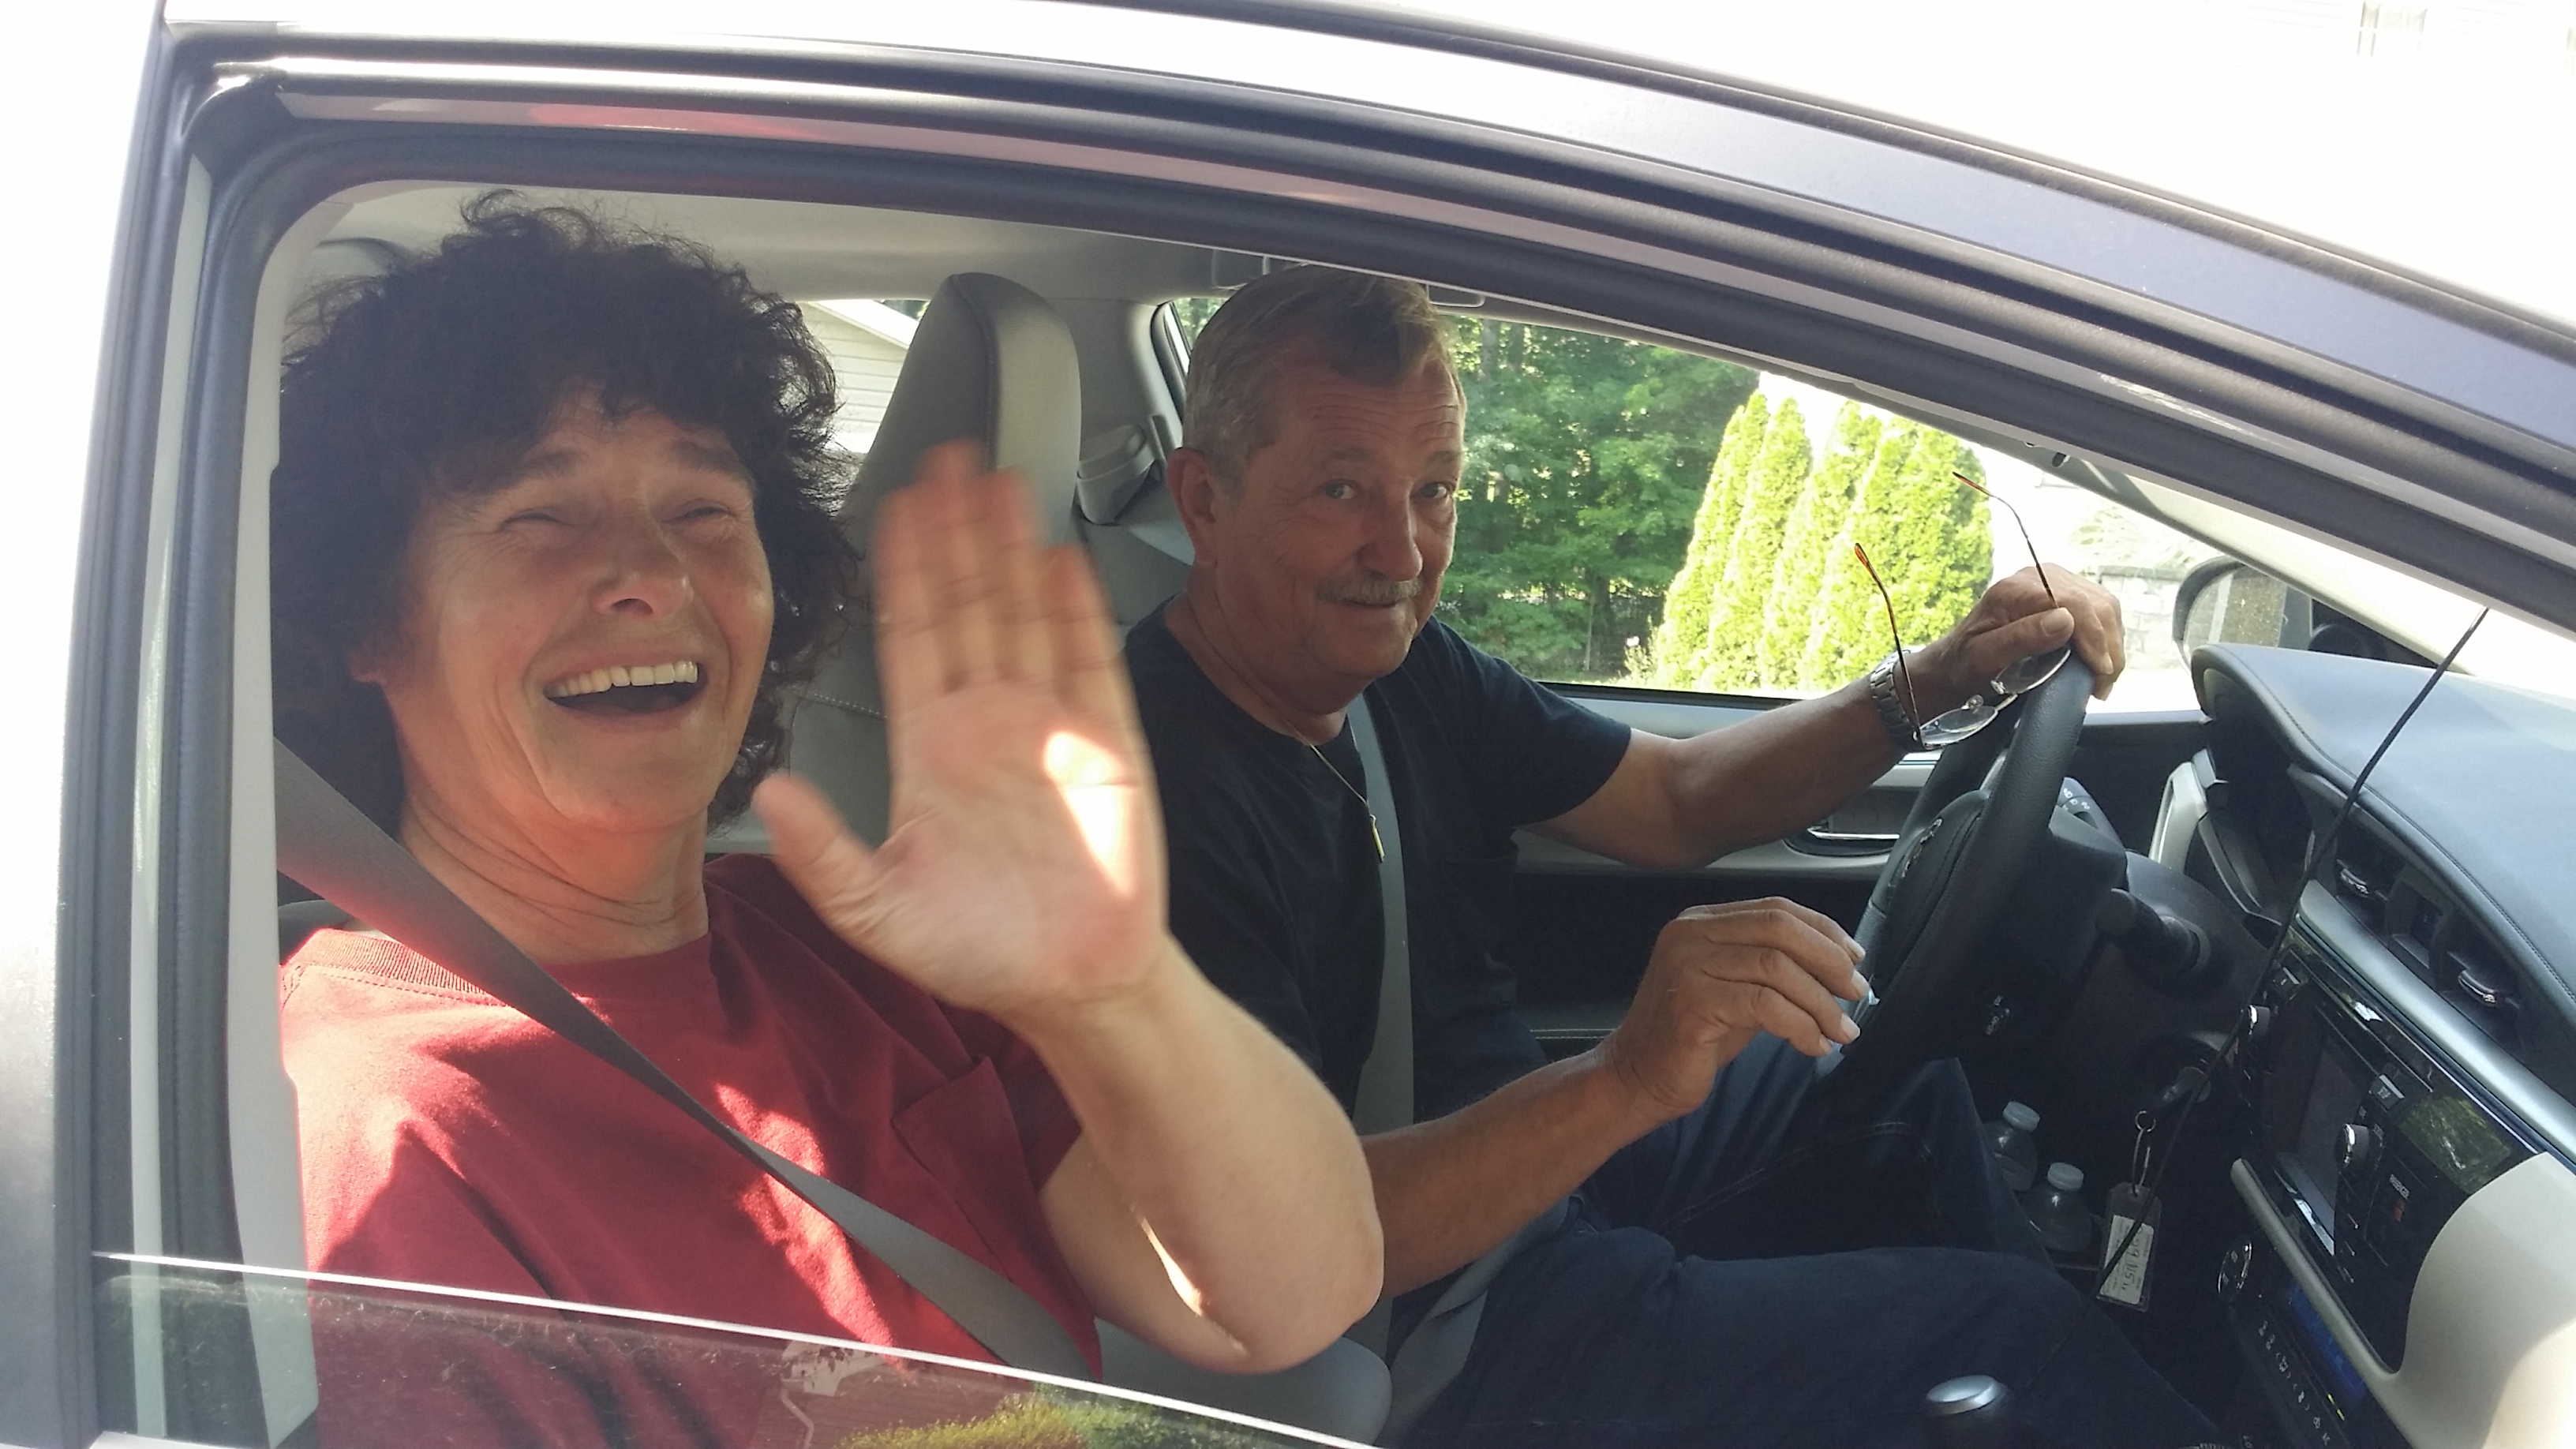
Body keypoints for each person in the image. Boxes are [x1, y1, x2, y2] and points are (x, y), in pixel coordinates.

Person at [268, 198, 1380, 1444]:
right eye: (542, 516)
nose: (655, 576)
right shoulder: (373, 1126)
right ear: (370, 617)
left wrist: (1116, 989)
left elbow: (1285, 1306)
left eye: (704, 511)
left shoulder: (871, 944)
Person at [1127, 265, 2217, 1447]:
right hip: (1433, 1335)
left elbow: (1675, 799)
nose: (1400, 551)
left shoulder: (1397, 668)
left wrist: (1940, 674)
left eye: (1432, 489)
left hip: (1539, 1190)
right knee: (2018, 1341)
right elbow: (1278, 1250)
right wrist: (1625, 1077)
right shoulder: (1147, 800)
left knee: (1883, 1064)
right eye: (1342, 489)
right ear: (1205, 500)